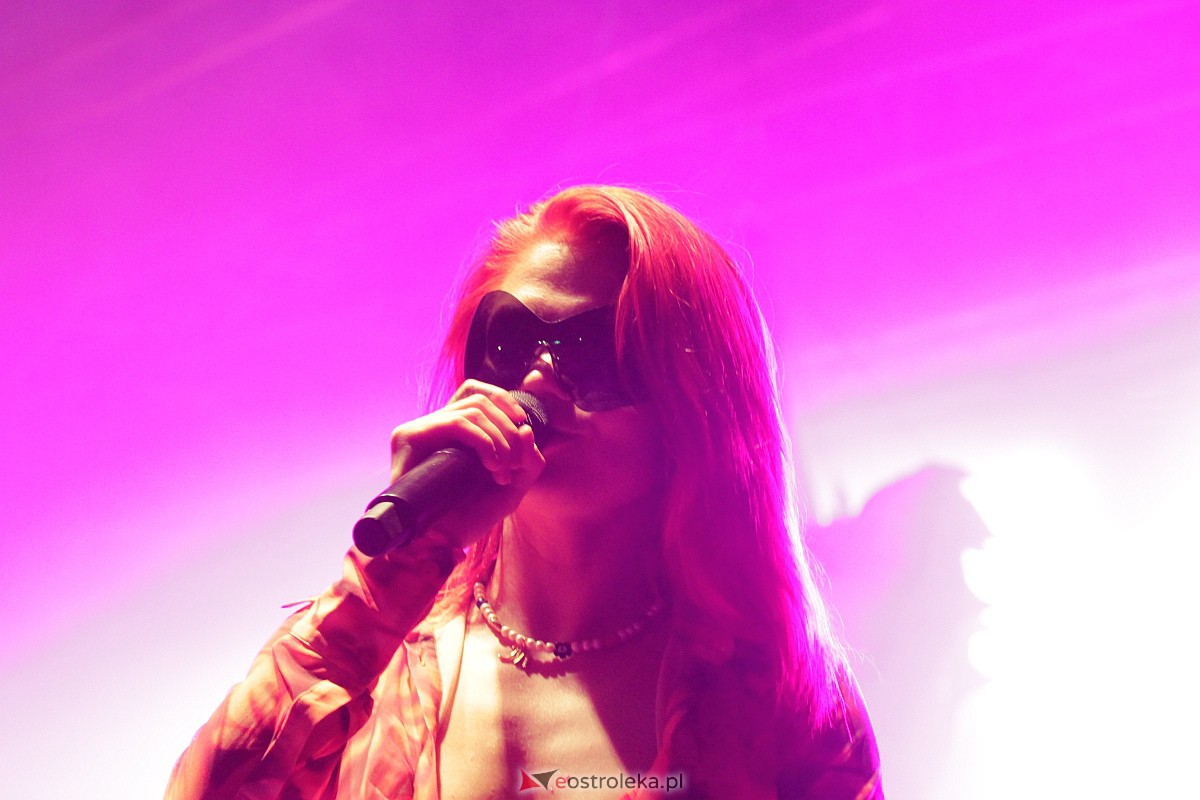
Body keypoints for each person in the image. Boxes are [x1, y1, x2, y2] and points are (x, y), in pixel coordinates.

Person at [166, 185, 883, 799]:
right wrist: (391, 575)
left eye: (596, 351)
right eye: (509, 343)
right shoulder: (375, 660)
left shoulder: (776, 700)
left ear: (692, 406)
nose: (539, 379)